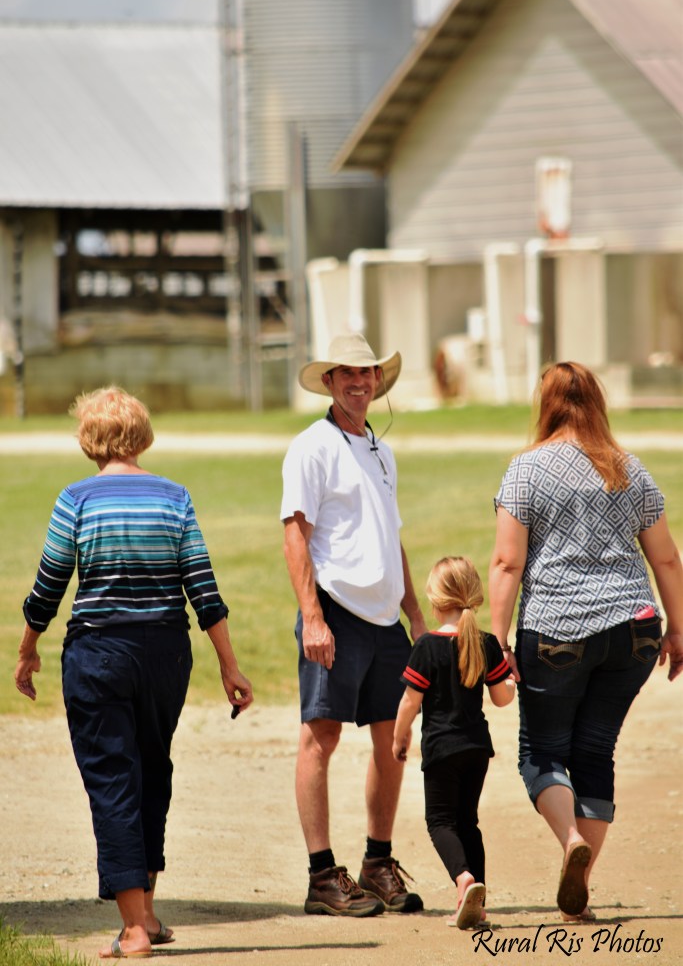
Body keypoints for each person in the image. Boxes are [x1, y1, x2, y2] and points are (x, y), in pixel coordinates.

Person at [14, 386, 253, 960]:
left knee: (112, 780)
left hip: (98, 654)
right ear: (141, 435)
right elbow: (203, 588)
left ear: (89, 440)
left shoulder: (76, 500)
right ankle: (145, 910)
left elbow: (49, 587)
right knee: (152, 771)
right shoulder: (175, 497)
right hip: (165, 654)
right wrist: (229, 665)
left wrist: (27, 651)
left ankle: (135, 932)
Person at [489, 361, 683, 922]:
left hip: (556, 630)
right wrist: (678, 627)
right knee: (596, 751)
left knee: (542, 752)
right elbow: (666, 556)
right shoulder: (630, 469)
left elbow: (506, 562)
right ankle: (582, 886)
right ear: (597, 402)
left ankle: (570, 837)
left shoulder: (526, 471)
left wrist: (497, 640)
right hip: (634, 630)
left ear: (545, 404)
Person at [281, 333, 427, 917]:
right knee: (322, 736)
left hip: (386, 618)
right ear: (329, 382)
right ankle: (322, 877)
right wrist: (313, 617)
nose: (359, 382)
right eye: (346, 373)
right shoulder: (311, 446)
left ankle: (376, 864)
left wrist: (415, 611)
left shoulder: (380, 450)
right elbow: (295, 533)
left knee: (392, 742)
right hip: (335, 611)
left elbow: (392, 539)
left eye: (366, 372)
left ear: (377, 381)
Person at [392, 556, 515, 930]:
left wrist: (400, 738)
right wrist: (511, 680)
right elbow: (502, 698)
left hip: (442, 750)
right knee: (468, 822)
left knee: (440, 821)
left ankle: (463, 880)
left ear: (434, 598)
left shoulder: (426, 647)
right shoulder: (486, 643)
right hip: (477, 749)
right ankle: (475, 901)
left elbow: (410, 702)